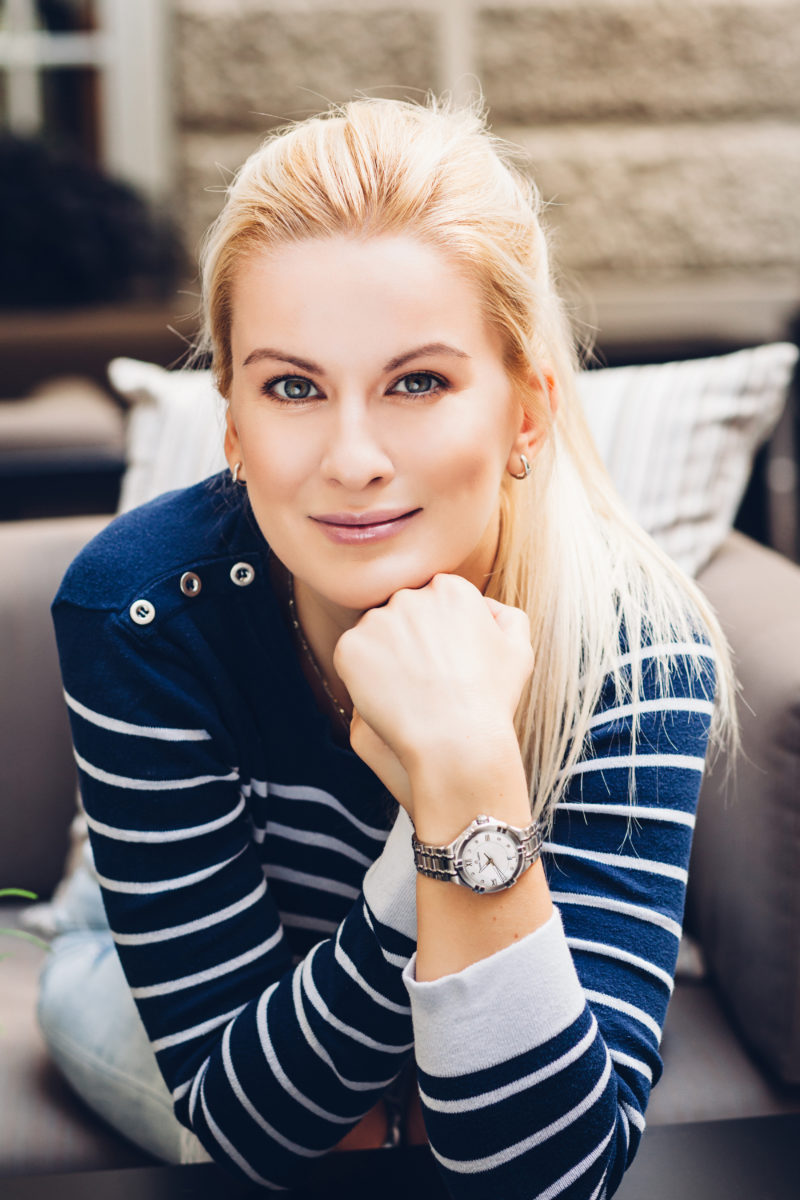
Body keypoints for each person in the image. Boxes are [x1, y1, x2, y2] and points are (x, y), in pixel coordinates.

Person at [39, 96, 736, 1198]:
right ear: (230, 426)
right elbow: (248, 1120)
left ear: (523, 414)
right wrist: (433, 857)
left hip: (330, 1001)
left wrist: (461, 775)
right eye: (292, 387)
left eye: (416, 381)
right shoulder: (139, 609)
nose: (353, 456)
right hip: (150, 954)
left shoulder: (633, 650)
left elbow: (553, 1177)